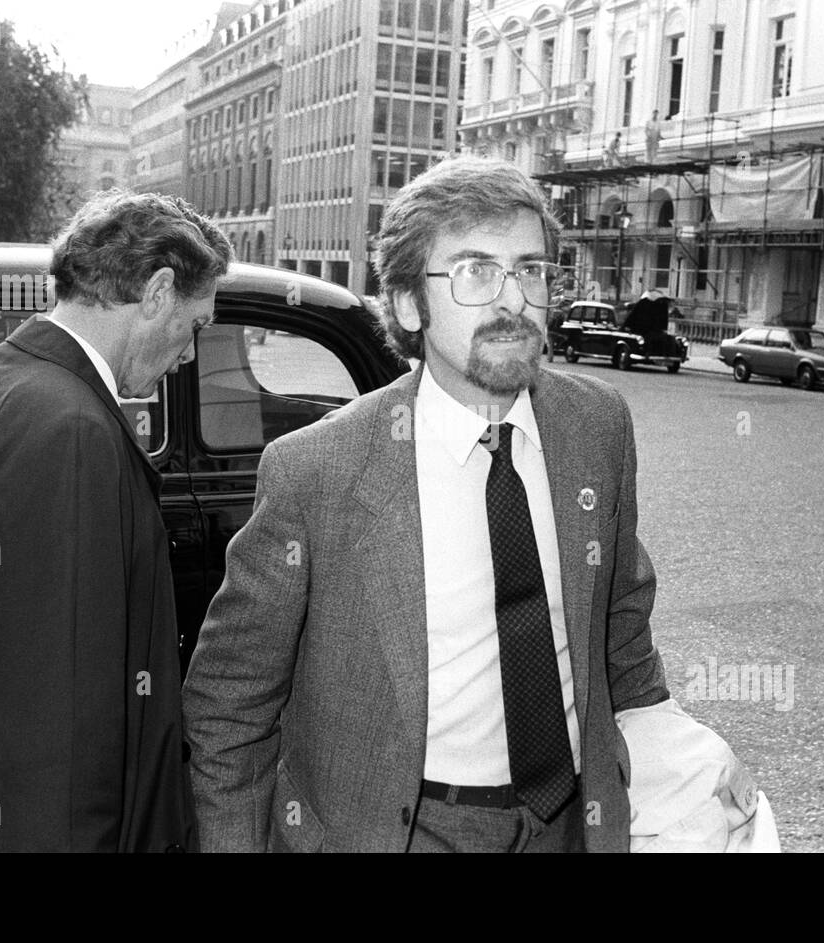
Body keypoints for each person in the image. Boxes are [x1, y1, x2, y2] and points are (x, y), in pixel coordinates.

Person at [183, 156, 669, 853]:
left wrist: (679, 759)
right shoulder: (318, 470)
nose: (513, 301)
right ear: (410, 303)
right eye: (474, 270)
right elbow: (229, 705)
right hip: (402, 833)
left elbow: (623, 633)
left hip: (568, 826)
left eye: (531, 270)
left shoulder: (598, 427)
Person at [0, 191, 232, 852]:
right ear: (157, 292)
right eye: (196, 325)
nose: (189, 354)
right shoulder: (70, 430)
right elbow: (55, 728)